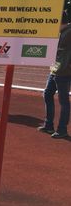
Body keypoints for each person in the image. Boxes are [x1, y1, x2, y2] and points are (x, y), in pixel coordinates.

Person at [38, 11, 71, 139]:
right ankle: (48, 125)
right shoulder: (61, 32)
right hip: (55, 68)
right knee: (47, 93)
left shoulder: (69, 32)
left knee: (63, 100)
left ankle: (62, 129)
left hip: (64, 71)